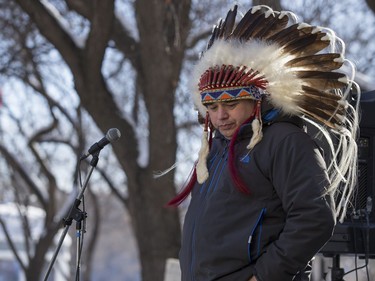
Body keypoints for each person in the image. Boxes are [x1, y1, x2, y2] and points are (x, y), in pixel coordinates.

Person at [167, 4, 360, 281]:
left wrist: (264, 277)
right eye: (211, 106)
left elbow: (314, 218)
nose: (220, 115)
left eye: (231, 103)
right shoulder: (216, 150)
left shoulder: (285, 141)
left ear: (255, 99)